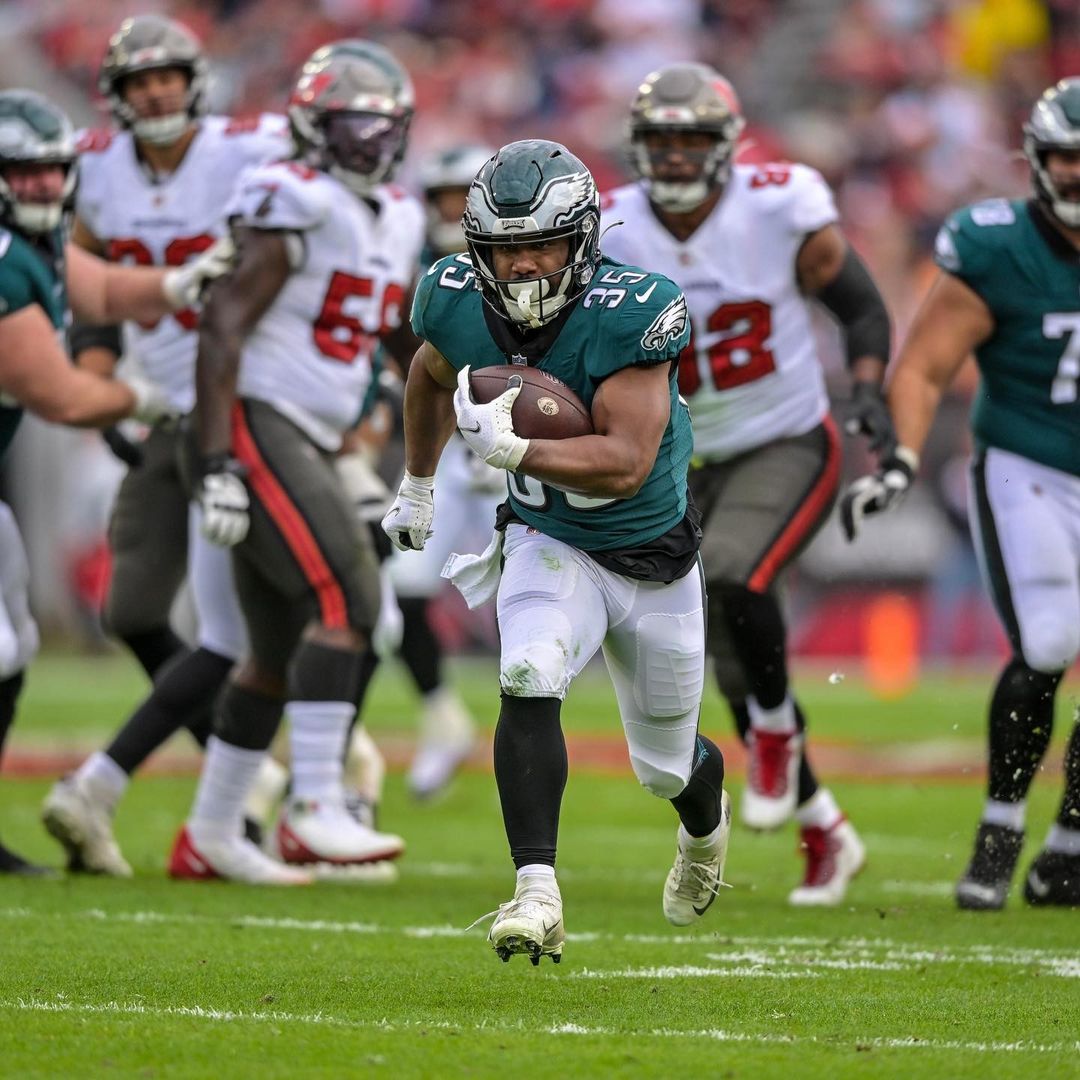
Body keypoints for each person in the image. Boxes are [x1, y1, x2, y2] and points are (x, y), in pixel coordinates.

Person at [383, 139, 731, 964]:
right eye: (506, 250)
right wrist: (418, 483)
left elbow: (624, 463)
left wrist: (514, 453)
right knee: (527, 671)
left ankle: (706, 836)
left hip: (653, 560)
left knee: (666, 768)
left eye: (542, 243)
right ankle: (535, 889)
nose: (526, 264)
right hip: (550, 538)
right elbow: (431, 375)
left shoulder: (634, 308)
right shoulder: (455, 298)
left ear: (584, 240)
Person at [600, 63, 889, 905]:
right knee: (710, 658)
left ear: (727, 145)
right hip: (674, 461)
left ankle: (772, 733)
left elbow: (862, 307)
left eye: (694, 139)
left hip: (782, 440)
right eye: (663, 140)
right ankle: (824, 828)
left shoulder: (781, 205)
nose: (679, 156)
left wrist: (868, 390)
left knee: (732, 573)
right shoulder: (612, 227)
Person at [40, 14, 294, 878]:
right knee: (135, 611)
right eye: (139, 80)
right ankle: (250, 769)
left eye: (167, 76)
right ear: (117, 93)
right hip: (161, 406)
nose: (155, 91)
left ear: (194, 81)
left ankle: (277, 783)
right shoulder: (96, 171)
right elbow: (92, 283)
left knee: (252, 623)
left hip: (244, 404)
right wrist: (103, 380)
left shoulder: (247, 153)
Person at [167, 39, 424, 884]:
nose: (370, 141)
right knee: (348, 590)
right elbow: (225, 326)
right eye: (352, 124)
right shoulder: (294, 196)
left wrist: (466, 396)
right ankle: (316, 805)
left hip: (308, 428)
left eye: (383, 125)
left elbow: (395, 334)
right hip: (257, 418)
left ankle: (211, 832)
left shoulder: (395, 215)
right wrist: (214, 461)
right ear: (315, 128)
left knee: (272, 645)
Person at [841, 77, 1080, 910]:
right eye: (1067, 160)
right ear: (1036, 162)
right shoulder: (996, 245)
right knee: (1048, 642)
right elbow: (926, 365)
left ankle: (1068, 847)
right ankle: (1000, 828)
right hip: (1029, 465)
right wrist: (902, 457)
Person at [0, 88, 225, 872]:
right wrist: (142, 396)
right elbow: (58, 394)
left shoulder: (36, 242)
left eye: (49, 171)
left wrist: (177, 282)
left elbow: (98, 287)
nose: (39, 186)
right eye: (20, 174)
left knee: (15, 641)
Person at [386, 143, 499, 799]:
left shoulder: (529, 266)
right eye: (444, 199)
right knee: (400, 596)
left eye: (466, 198)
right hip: (450, 459)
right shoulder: (418, 274)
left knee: (536, 606)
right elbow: (405, 369)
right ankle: (442, 719)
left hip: (525, 456)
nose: (453, 212)